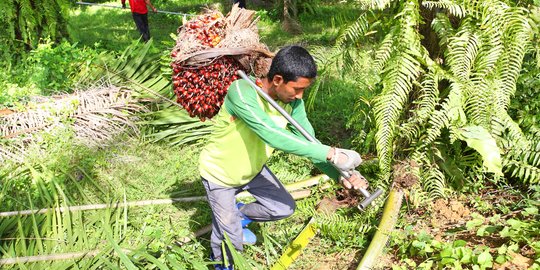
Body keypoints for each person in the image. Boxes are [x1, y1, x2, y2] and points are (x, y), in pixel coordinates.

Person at [198, 45, 369, 270]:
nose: (300, 96)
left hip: (252, 170)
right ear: (277, 79)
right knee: (231, 241)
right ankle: (222, 264)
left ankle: (237, 214)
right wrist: (332, 153)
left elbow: (309, 143)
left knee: (283, 208)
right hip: (220, 175)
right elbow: (271, 134)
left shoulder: (293, 104)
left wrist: (341, 176)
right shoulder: (242, 92)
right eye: (297, 89)